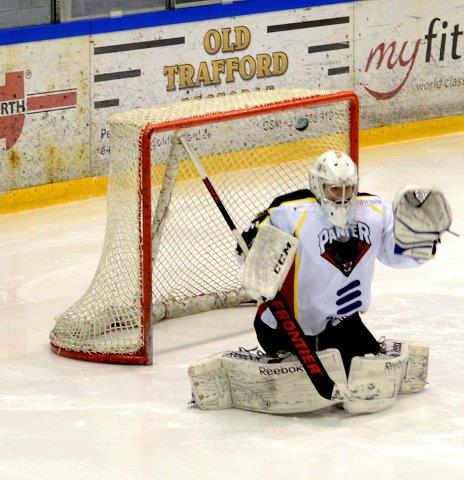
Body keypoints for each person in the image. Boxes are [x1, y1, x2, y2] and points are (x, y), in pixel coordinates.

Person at [236, 150, 447, 376]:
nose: (343, 196)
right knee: (316, 380)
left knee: (370, 375)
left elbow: (394, 255)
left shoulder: (373, 210)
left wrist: (420, 242)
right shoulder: (288, 212)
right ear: (318, 185)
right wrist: (255, 251)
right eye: (335, 189)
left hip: (342, 324)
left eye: (349, 188)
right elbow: (246, 254)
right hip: (286, 326)